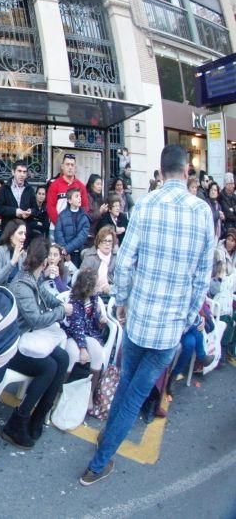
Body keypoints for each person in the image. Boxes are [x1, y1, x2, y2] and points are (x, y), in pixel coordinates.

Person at [80, 144, 215, 486]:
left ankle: (105, 440)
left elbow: (124, 262)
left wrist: (122, 301)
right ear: (187, 173)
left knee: (127, 385)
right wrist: (187, 317)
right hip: (169, 328)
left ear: (161, 170)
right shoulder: (201, 212)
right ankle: (99, 462)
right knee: (134, 395)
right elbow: (202, 275)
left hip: (139, 320)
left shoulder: (146, 204)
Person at [2, 237, 71, 449]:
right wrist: (62, 312)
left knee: (63, 357)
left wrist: (63, 304)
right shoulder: (23, 285)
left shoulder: (34, 279)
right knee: (48, 367)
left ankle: (38, 417)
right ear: (43, 262)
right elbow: (36, 320)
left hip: (26, 338)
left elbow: (48, 298)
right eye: (49, 257)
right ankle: (16, 422)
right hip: (10, 345)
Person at [61, 266, 109, 408]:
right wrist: (82, 349)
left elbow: (93, 323)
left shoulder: (94, 299)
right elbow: (77, 327)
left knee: (98, 353)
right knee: (73, 353)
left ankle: (90, 393)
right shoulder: (74, 301)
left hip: (88, 334)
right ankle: (60, 389)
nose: (98, 289)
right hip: (72, 335)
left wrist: (100, 320)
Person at [46, 153, 90, 226]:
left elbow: (85, 207)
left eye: (72, 165)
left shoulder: (81, 186)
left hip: (75, 228)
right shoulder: (54, 185)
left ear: (75, 168)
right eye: (67, 164)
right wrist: (60, 225)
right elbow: (51, 208)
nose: (70, 167)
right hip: (57, 228)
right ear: (62, 166)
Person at [0, 161, 36, 232]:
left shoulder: (30, 189)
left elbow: (35, 209)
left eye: (24, 172)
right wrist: (15, 211)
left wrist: (30, 212)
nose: (22, 174)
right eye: (19, 171)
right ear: (13, 172)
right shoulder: (5, 188)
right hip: (8, 230)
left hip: (24, 230)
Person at [54, 187, 90, 267]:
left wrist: (67, 249)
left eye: (80, 196)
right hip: (64, 254)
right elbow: (58, 233)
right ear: (69, 200)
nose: (79, 198)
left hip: (79, 253)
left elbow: (82, 237)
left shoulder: (84, 216)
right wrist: (63, 249)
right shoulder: (62, 215)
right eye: (76, 196)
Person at [0, 219, 26, 286]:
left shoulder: (23, 254)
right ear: (11, 236)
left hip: (16, 292)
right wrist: (12, 262)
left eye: (24, 233)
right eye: (20, 233)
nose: (24, 237)